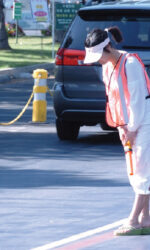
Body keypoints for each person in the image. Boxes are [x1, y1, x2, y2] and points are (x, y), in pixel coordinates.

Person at [84, 26, 150, 236]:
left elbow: (138, 100)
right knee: (137, 168)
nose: (98, 60)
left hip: (144, 120)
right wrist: (122, 126)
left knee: (141, 170)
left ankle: (134, 220)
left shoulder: (130, 64)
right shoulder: (108, 66)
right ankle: (145, 219)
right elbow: (115, 99)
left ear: (109, 47)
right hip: (129, 122)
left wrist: (131, 128)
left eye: (99, 56)